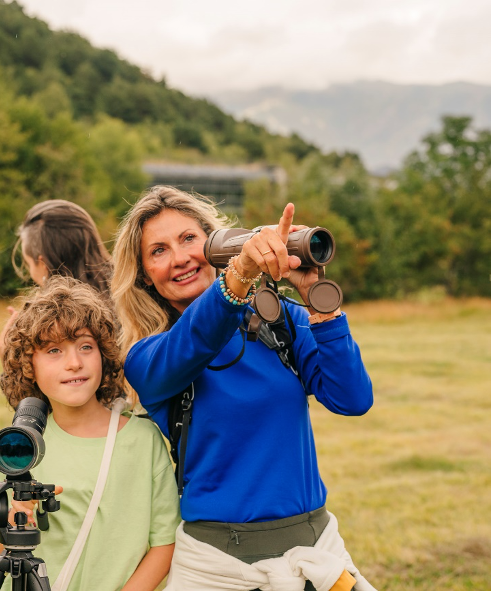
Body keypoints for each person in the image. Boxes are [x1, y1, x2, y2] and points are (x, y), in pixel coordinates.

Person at [112, 185, 376, 590]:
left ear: (217, 245)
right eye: (159, 251)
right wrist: (238, 277)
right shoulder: (147, 356)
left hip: (316, 549)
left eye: (188, 239)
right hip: (216, 566)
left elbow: (352, 399)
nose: (180, 258)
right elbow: (196, 339)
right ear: (146, 277)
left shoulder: (280, 322)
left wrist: (316, 300)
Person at [0, 276, 180, 591]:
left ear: (104, 355)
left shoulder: (142, 439)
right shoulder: (19, 444)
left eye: (85, 347)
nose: (74, 363)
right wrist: (14, 522)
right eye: (54, 350)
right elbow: (5, 550)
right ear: (29, 365)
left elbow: (165, 542)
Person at [0, 199, 112, 356]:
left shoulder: (63, 327)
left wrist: (11, 357)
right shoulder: (133, 296)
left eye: (28, 263)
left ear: (43, 264)